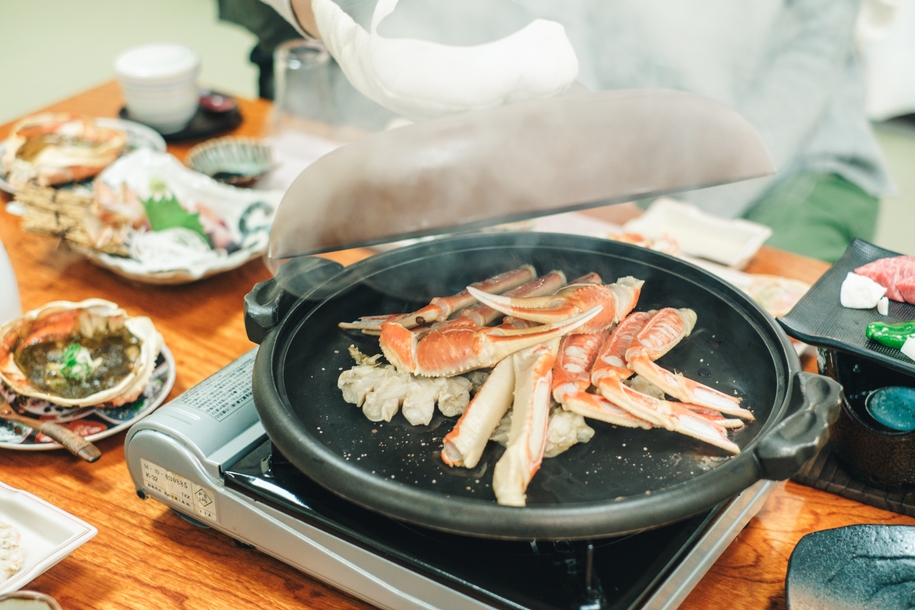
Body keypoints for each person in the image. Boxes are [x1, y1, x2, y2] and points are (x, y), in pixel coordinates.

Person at [257, 0, 893, 263]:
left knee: (769, 329)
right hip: (612, 147)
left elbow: (814, 51)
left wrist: (679, 213)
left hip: (790, 163)